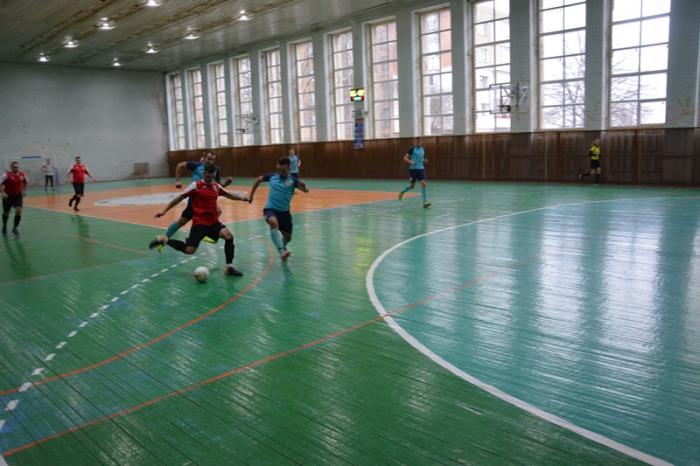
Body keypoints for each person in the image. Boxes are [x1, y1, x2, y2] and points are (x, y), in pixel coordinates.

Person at [148, 164, 248, 276]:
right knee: (189, 250)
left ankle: (229, 267)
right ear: (204, 173)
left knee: (229, 236)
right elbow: (179, 198)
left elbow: (229, 195)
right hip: (199, 225)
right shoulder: (195, 186)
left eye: (212, 177)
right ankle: (164, 240)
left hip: (213, 223)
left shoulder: (216, 186)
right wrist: (164, 211)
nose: (210, 179)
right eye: (208, 176)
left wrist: (242, 198)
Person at [248, 157, 309, 262]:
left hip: (285, 213)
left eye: (283, 170)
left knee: (288, 238)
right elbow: (258, 179)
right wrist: (251, 195)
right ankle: (281, 251)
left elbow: (306, 190)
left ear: (289, 168)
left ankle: (282, 246)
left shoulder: (293, 181)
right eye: (278, 170)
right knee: (273, 223)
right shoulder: (273, 177)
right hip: (270, 209)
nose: (280, 172)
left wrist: (304, 186)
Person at [163, 151, 232, 242]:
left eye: (213, 160)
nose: (211, 161)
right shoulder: (196, 165)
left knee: (217, 211)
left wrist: (226, 184)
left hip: (207, 201)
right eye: (209, 159)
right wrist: (178, 180)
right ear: (204, 158)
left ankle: (202, 233)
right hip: (196, 200)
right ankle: (163, 238)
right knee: (182, 221)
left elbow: (218, 187)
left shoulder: (215, 170)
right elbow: (180, 165)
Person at [398, 137, 431, 208]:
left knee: (424, 184)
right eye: (417, 141)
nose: (418, 142)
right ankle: (402, 192)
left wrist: (424, 160)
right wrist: (411, 162)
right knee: (412, 186)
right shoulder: (412, 149)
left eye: (419, 141)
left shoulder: (422, 149)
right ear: (415, 142)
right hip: (413, 170)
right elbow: (405, 158)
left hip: (421, 169)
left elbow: (420, 159)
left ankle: (425, 202)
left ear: (421, 142)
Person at [1, 161, 28, 236]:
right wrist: (3, 193)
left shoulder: (23, 174)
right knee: (6, 213)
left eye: (17, 167)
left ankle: (15, 228)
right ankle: (4, 225)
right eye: (14, 167)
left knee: (18, 211)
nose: (16, 168)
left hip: (18, 196)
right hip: (8, 196)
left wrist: (24, 191)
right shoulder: (6, 175)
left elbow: (26, 182)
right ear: (11, 168)